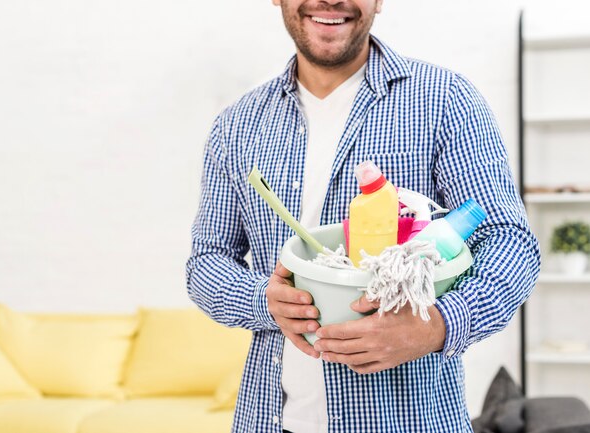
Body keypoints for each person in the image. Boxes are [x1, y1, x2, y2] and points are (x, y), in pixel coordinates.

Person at [186, 0, 541, 431]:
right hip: (270, 418)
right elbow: (207, 262)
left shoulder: (444, 100)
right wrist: (266, 300)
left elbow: (510, 241)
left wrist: (437, 325)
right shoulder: (236, 126)